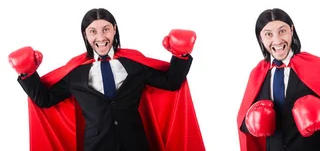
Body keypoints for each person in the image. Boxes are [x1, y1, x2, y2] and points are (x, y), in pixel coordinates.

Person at [8, 8, 205, 151]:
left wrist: (181, 55)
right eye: (93, 31)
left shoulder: (134, 64)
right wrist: (27, 74)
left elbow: (171, 83)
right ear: (86, 35)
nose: (100, 36)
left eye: (106, 29)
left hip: (135, 144)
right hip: (97, 146)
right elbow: (45, 100)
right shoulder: (75, 74)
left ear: (114, 30)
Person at [236, 8, 320, 151]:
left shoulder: (315, 66)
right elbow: (242, 124)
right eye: (268, 34)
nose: (277, 40)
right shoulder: (257, 74)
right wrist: (251, 122)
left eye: (282, 31)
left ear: (291, 30)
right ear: (260, 38)